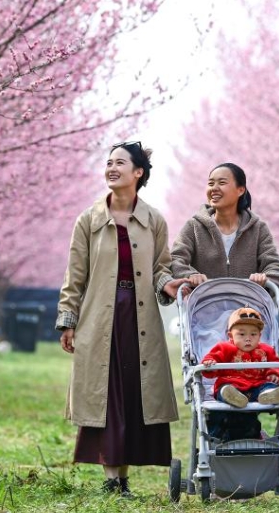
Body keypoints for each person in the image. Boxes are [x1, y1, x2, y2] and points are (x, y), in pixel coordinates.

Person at [56, 141, 187, 498]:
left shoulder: (153, 219)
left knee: (134, 392)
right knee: (106, 392)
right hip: (99, 318)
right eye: (108, 162)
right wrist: (68, 320)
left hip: (140, 318)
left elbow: (161, 268)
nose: (111, 168)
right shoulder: (89, 219)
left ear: (138, 173)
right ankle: (112, 477)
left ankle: (123, 476)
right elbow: (75, 276)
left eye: (120, 163)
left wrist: (170, 285)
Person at [171, 162, 279, 440]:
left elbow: (275, 267)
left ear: (240, 189)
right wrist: (190, 275)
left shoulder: (257, 228)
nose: (214, 188)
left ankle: (253, 422)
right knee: (216, 378)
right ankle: (223, 431)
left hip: (249, 321)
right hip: (207, 321)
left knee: (253, 369)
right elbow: (176, 260)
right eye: (210, 182)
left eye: (222, 182)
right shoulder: (195, 227)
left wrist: (265, 277)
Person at [201, 306, 279, 408]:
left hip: (257, 385)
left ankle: (270, 394)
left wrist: (273, 374)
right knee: (224, 389)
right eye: (242, 334)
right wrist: (209, 363)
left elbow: (275, 363)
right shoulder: (224, 348)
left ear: (259, 336)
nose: (248, 338)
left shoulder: (266, 350)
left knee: (268, 386)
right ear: (230, 336)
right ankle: (232, 397)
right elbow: (213, 358)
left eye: (253, 334)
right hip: (232, 384)